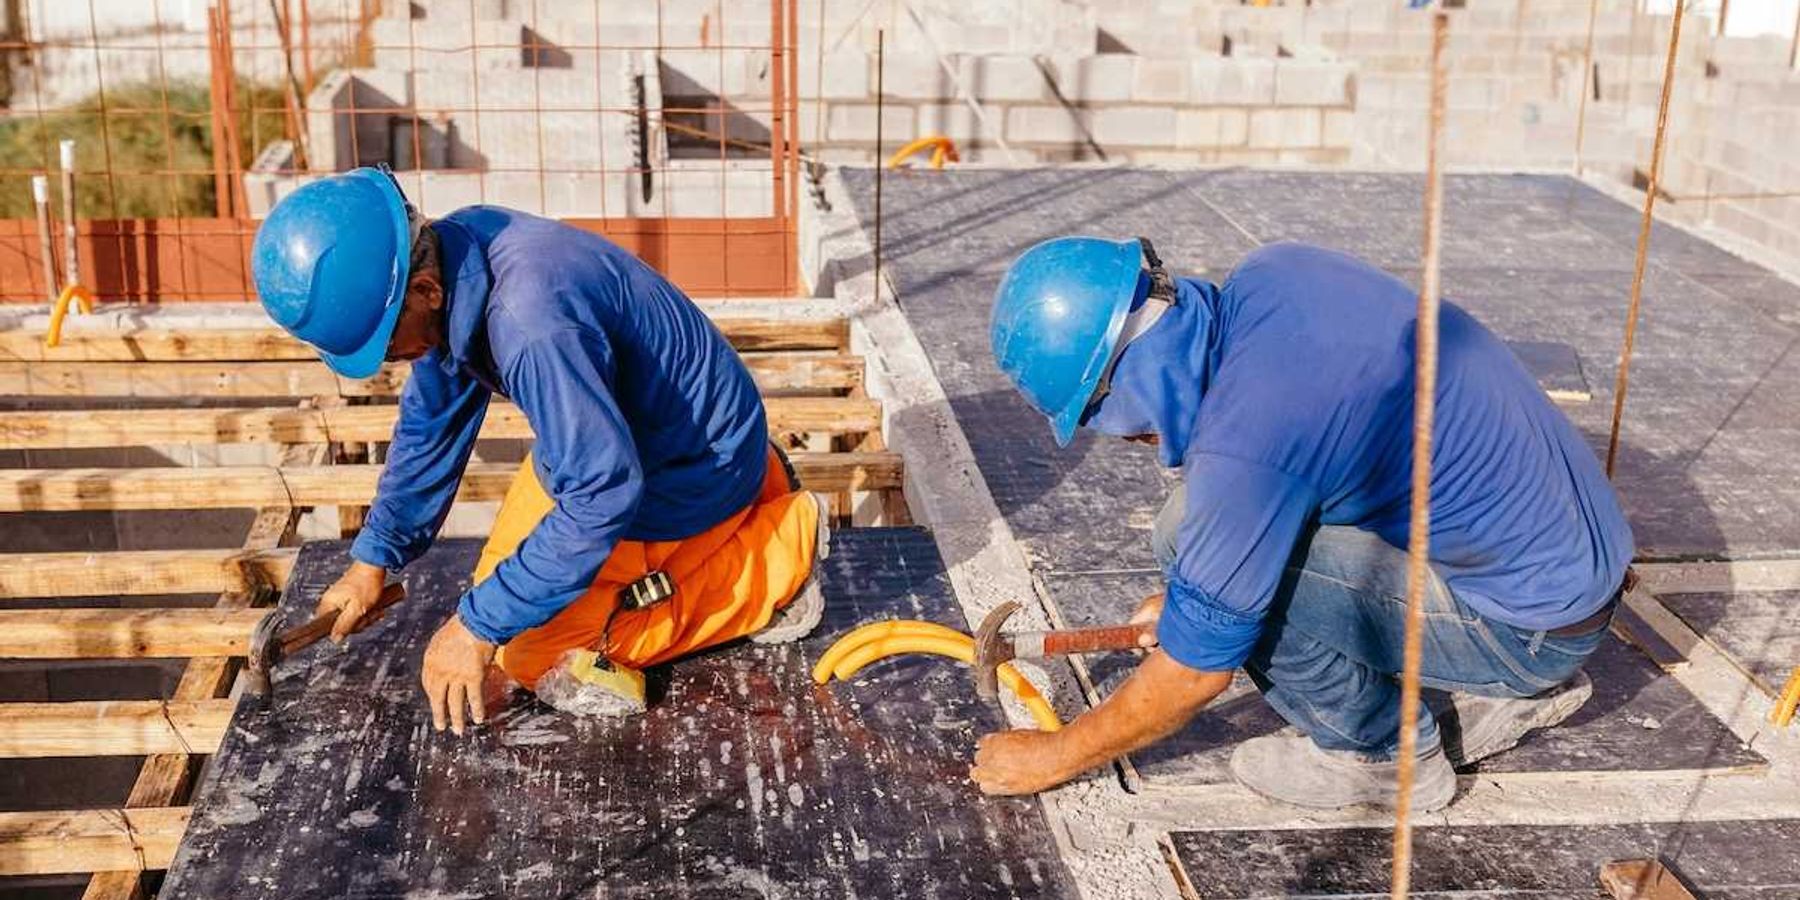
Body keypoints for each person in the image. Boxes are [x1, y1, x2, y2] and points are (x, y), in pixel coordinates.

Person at [969, 238, 1633, 812]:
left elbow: (1195, 675)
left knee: (1199, 554)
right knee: (1204, 553)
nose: (1126, 441)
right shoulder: (1273, 275)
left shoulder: (1250, 447)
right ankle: (1495, 690)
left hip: (1529, 625)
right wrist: (1193, 597)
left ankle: (1380, 759)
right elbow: (1313, 459)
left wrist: (1054, 755)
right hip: (1571, 570)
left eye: (1100, 419)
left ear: (1122, 382)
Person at [249, 166, 829, 733]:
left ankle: (779, 554)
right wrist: (372, 560)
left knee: (537, 655)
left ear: (423, 290)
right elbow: (432, 425)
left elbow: (601, 497)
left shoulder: (531, 324)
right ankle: (760, 484)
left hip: (687, 468)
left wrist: (475, 630)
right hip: (615, 443)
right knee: (501, 599)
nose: (383, 361)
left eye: (383, 344)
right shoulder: (458, 252)